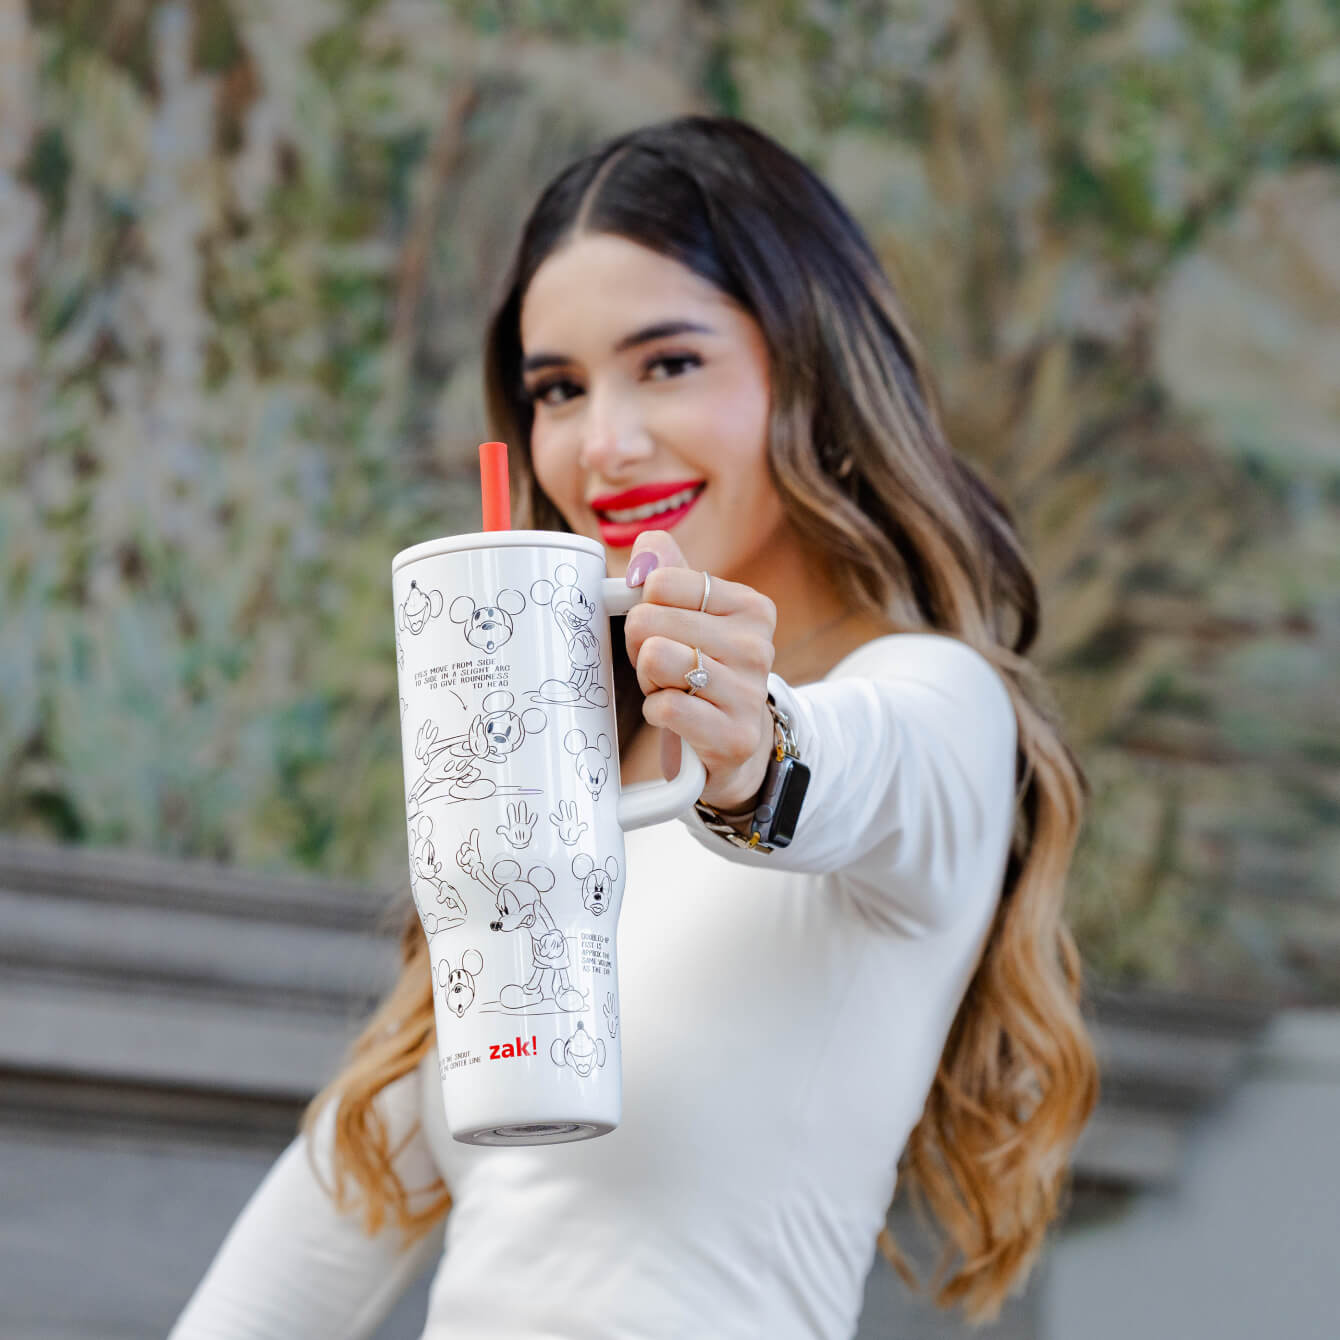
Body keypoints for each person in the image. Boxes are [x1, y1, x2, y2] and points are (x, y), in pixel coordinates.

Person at [171, 114, 1098, 1339]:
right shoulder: (559, 782)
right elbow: (306, 1253)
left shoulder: (935, 705)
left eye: (666, 363)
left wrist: (748, 752)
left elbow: (843, 767)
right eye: (558, 388)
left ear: (808, 368)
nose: (602, 444)